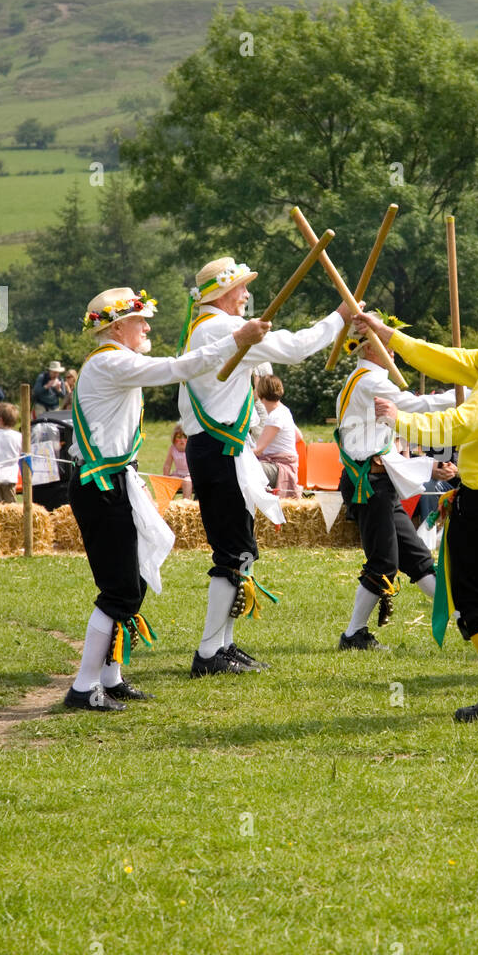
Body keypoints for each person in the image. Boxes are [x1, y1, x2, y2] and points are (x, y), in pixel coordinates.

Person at [65, 285, 269, 711]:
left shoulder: (114, 361)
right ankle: (84, 687)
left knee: (133, 580)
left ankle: (111, 677)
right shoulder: (112, 362)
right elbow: (178, 368)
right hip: (101, 486)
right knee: (119, 588)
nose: (146, 326)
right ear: (118, 326)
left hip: (114, 481)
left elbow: (175, 366)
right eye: (140, 321)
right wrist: (236, 340)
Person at [361, 265, 478, 724]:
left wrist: (401, 421)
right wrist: (392, 337)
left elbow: (466, 421)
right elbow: (454, 362)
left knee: (473, 598)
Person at [178, 256, 353, 678]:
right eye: (241, 289)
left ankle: (223, 645)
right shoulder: (220, 328)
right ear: (221, 294)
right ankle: (207, 655)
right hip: (218, 451)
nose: (246, 296)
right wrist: (340, 316)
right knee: (232, 553)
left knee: (241, 550)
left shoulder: (208, 328)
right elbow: (294, 348)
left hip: (222, 451)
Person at [335, 314, 456, 651]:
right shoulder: (370, 381)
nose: (395, 346)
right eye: (388, 340)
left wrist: (428, 467)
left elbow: (381, 448)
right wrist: (463, 395)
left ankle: (462, 618)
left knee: (417, 557)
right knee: (384, 563)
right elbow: (416, 407)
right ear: (373, 347)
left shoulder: (360, 378)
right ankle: (353, 635)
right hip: (368, 484)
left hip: (376, 480)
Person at [253, 375, 302, 499]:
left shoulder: (275, 416)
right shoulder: (284, 410)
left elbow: (258, 450)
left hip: (279, 467)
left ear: (259, 392)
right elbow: (299, 436)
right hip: (284, 465)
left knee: (242, 470)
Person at [163, 423, 193, 500]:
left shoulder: (191, 448)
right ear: (174, 439)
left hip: (190, 475)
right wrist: (165, 477)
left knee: (187, 482)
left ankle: (186, 502)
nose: (182, 440)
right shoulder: (173, 449)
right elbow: (167, 464)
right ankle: (169, 503)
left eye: (185, 437)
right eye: (179, 437)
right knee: (171, 481)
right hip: (178, 474)